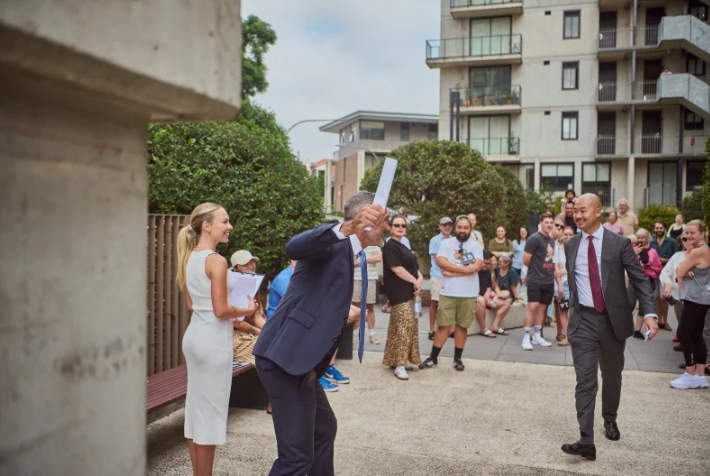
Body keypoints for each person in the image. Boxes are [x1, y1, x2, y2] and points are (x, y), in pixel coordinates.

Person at [253, 191, 388, 476]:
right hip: (284, 359)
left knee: (324, 430)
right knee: (295, 459)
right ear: (364, 220)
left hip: (302, 362)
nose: (387, 226)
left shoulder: (348, 251)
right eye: (383, 219)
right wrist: (347, 227)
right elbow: (294, 246)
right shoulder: (333, 242)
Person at [560, 194, 657, 461]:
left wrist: (650, 313)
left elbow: (640, 279)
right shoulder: (570, 244)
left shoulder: (619, 243)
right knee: (585, 380)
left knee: (612, 375)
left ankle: (610, 418)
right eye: (575, 211)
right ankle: (586, 439)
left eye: (583, 210)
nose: (578, 215)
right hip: (583, 322)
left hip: (613, 322)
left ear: (598, 212)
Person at [176, 203, 257, 476]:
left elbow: (192, 305)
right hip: (212, 342)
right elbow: (221, 310)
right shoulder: (216, 260)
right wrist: (248, 309)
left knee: (196, 412)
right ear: (207, 226)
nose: (230, 226)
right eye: (225, 221)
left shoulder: (189, 257)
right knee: (209, 416)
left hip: (195, 338)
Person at [420, 215, 484, 371]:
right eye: (460, 227)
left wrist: (453, 272)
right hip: (448, 292)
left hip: (469, 293)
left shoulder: (475, 246)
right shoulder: (446, 244)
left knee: (462, 326)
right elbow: (442, 263)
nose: (462, 230)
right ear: (455, 228)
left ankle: (458, 358)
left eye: (466, 228)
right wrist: (465, 270)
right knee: (443, 326)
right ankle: (433, 358)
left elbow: (476, 267)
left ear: (470, 229)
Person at [382, 215, 423, 380]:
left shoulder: (404, 245)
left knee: (401, 326)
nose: (400, 228)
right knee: (404, 327)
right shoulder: (390, 246)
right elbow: (396, 268)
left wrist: (419, 279)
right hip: (399, 291)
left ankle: (395, 359)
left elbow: (413, 267)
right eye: (397, 225)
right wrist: (414, 281)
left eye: (403, 225)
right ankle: (399, 365)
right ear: (390, 227)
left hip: (410, 290)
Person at [673, 220, 710, 389]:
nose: (688, 236)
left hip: (696, 299)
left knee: (683, 334)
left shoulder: (698, 251)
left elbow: (679, 271)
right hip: (702, 298)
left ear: (702, 233)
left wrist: (683, 268)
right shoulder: (704, 250)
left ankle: (690, 373)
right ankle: (700, 376)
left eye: (692, 233)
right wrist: (684, 269)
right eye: (686, 233)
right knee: (696, 335)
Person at [521, 212, 556, 350]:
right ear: (541, 223)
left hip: (548, 279)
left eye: (551, 222)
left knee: (543, 309)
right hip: (535, 279)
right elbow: (526, 259)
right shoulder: (533, 239)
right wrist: (534, 271)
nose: (549, 225)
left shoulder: (552, 240)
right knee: (532, 308)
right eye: (546, 222)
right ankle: (526, 337)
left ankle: (537, 336)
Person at [629, 230, 663, 339]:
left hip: (648, 280)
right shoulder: (633, 250)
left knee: (644, 306)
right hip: (634, 280)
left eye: (642, 237)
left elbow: (659, 268)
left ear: (648, 238)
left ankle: (637, 330)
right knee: (629, 303)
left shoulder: (653, 251)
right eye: (638, 237)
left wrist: (649, 267)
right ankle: (624, 326)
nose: (640, 240)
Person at [428, 217, 454, 340]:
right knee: (435, 302)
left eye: (449, 225)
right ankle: (432, 330)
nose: (447, 227)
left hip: (451, 277)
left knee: (449, 304)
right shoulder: (435, 240)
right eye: (445, 224)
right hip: (438, 275)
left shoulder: (454, 241)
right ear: (440, 226)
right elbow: (438, 259)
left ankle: (448, 329)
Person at [650, 221, 678, 331]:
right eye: (657, 228)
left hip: (666, 273)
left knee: (664, 298)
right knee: (656, 298)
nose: (659, 230)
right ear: (654, 229)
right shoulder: (651, 242)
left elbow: (676, 257)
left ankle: (665, 321)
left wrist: (664, 260)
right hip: (654, 274)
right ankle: (658, 321)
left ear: (665, 228)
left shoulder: (671, 242)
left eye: (661, 228)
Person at [353, 245, 382, 345]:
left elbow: (378, 258)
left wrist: (361, 259)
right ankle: (354, 333)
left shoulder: (374, 245)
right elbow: (352, 263)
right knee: (356, 307)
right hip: (356, 278)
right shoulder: (354, 244)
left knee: (370, 307)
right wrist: (370, 258)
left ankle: (372, 334)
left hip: (370, 278)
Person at [553, 226, 575, 346]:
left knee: (574, 311)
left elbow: (577, 267)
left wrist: (565, 271)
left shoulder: (577, 249)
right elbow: (556, 270)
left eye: (570, 234)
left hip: (575, 283)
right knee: (563, 310)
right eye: (565, 234)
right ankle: (567, 337)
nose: (567, 237)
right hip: (562, 284)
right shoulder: (557, 249)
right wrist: (560, 286)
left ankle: (575, 336)